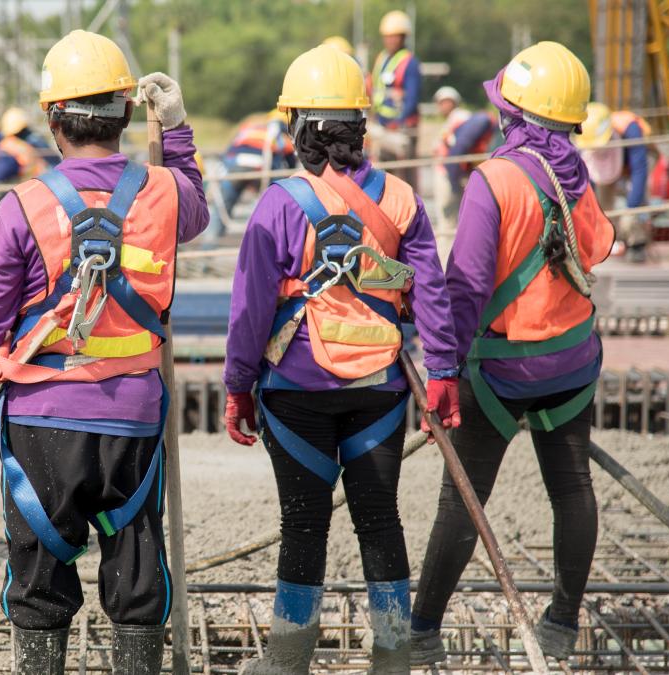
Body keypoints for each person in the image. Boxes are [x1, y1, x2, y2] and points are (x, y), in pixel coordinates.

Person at [0, 30, 208, 675]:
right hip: (134, 421)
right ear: (125, 115)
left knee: (38, 579)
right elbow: (198, 207)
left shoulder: (25, 205)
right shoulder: (166, 193)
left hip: (42, 419)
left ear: (52, 120)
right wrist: (175, 132)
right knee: (139, 574)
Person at [222, 44, 459, 674]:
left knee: (304, 523)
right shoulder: (403, 199)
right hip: (381, 387)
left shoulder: (279, 204)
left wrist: (238, 385)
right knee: (381, 521)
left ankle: (288, 659)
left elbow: (248, 310)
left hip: (296, 389)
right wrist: (443, 373)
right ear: (361, 126)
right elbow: (430, 291)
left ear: (298, 128)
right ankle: (392, 658)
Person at [410, 42, 615, 666]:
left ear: (515, 113)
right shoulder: (575, 173)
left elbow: (465, 287)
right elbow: (598, 249)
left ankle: (421, 634)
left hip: (500, 372)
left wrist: (442, 371)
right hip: (572, 364)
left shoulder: (494, 180)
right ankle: (561, 621)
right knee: (572, 486)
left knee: (460, 499)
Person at [207, 109, 297, 246]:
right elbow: (291, 164)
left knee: (220, 213)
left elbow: (229, 152)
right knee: (271, 206)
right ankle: (265, 244)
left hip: (234, 169)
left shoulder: (248, 129)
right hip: (261, 169)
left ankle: (207, 253)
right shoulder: (278, 136)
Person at [576, 102, 653, 261]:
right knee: (603, 208)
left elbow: (640, 171)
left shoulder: (630, 130)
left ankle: (637, 242)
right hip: (607, 166)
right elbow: (588, 176)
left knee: (635, 209)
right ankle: (611, 238)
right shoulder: (588, 135)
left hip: (633, 165)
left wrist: (630, 210)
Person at [368, 10, 422, 189]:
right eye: (388, 37)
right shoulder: (382, 59)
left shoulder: (409, 62)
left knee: (405, 175)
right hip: (383, 126)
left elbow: (412, 99)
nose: (390, 40)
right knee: (384, 173)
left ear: (403, 37)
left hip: (402, 129)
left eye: (395, 37)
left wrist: (398, 122)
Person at [432, 86, 499, 225]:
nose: (443, 106)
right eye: (441, 102)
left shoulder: (461, 117)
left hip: (449, 172)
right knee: (453, 216)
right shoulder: (451, 121)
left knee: (449, 217)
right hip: (451, 171)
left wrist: (455, 184)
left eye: (446, 101)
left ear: (454, 102)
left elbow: (459, 147)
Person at [0, 113, 47, 182]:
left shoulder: (6, 146)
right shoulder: (8, 143)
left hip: (33, 181)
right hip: (34, 179)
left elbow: (0, 174)